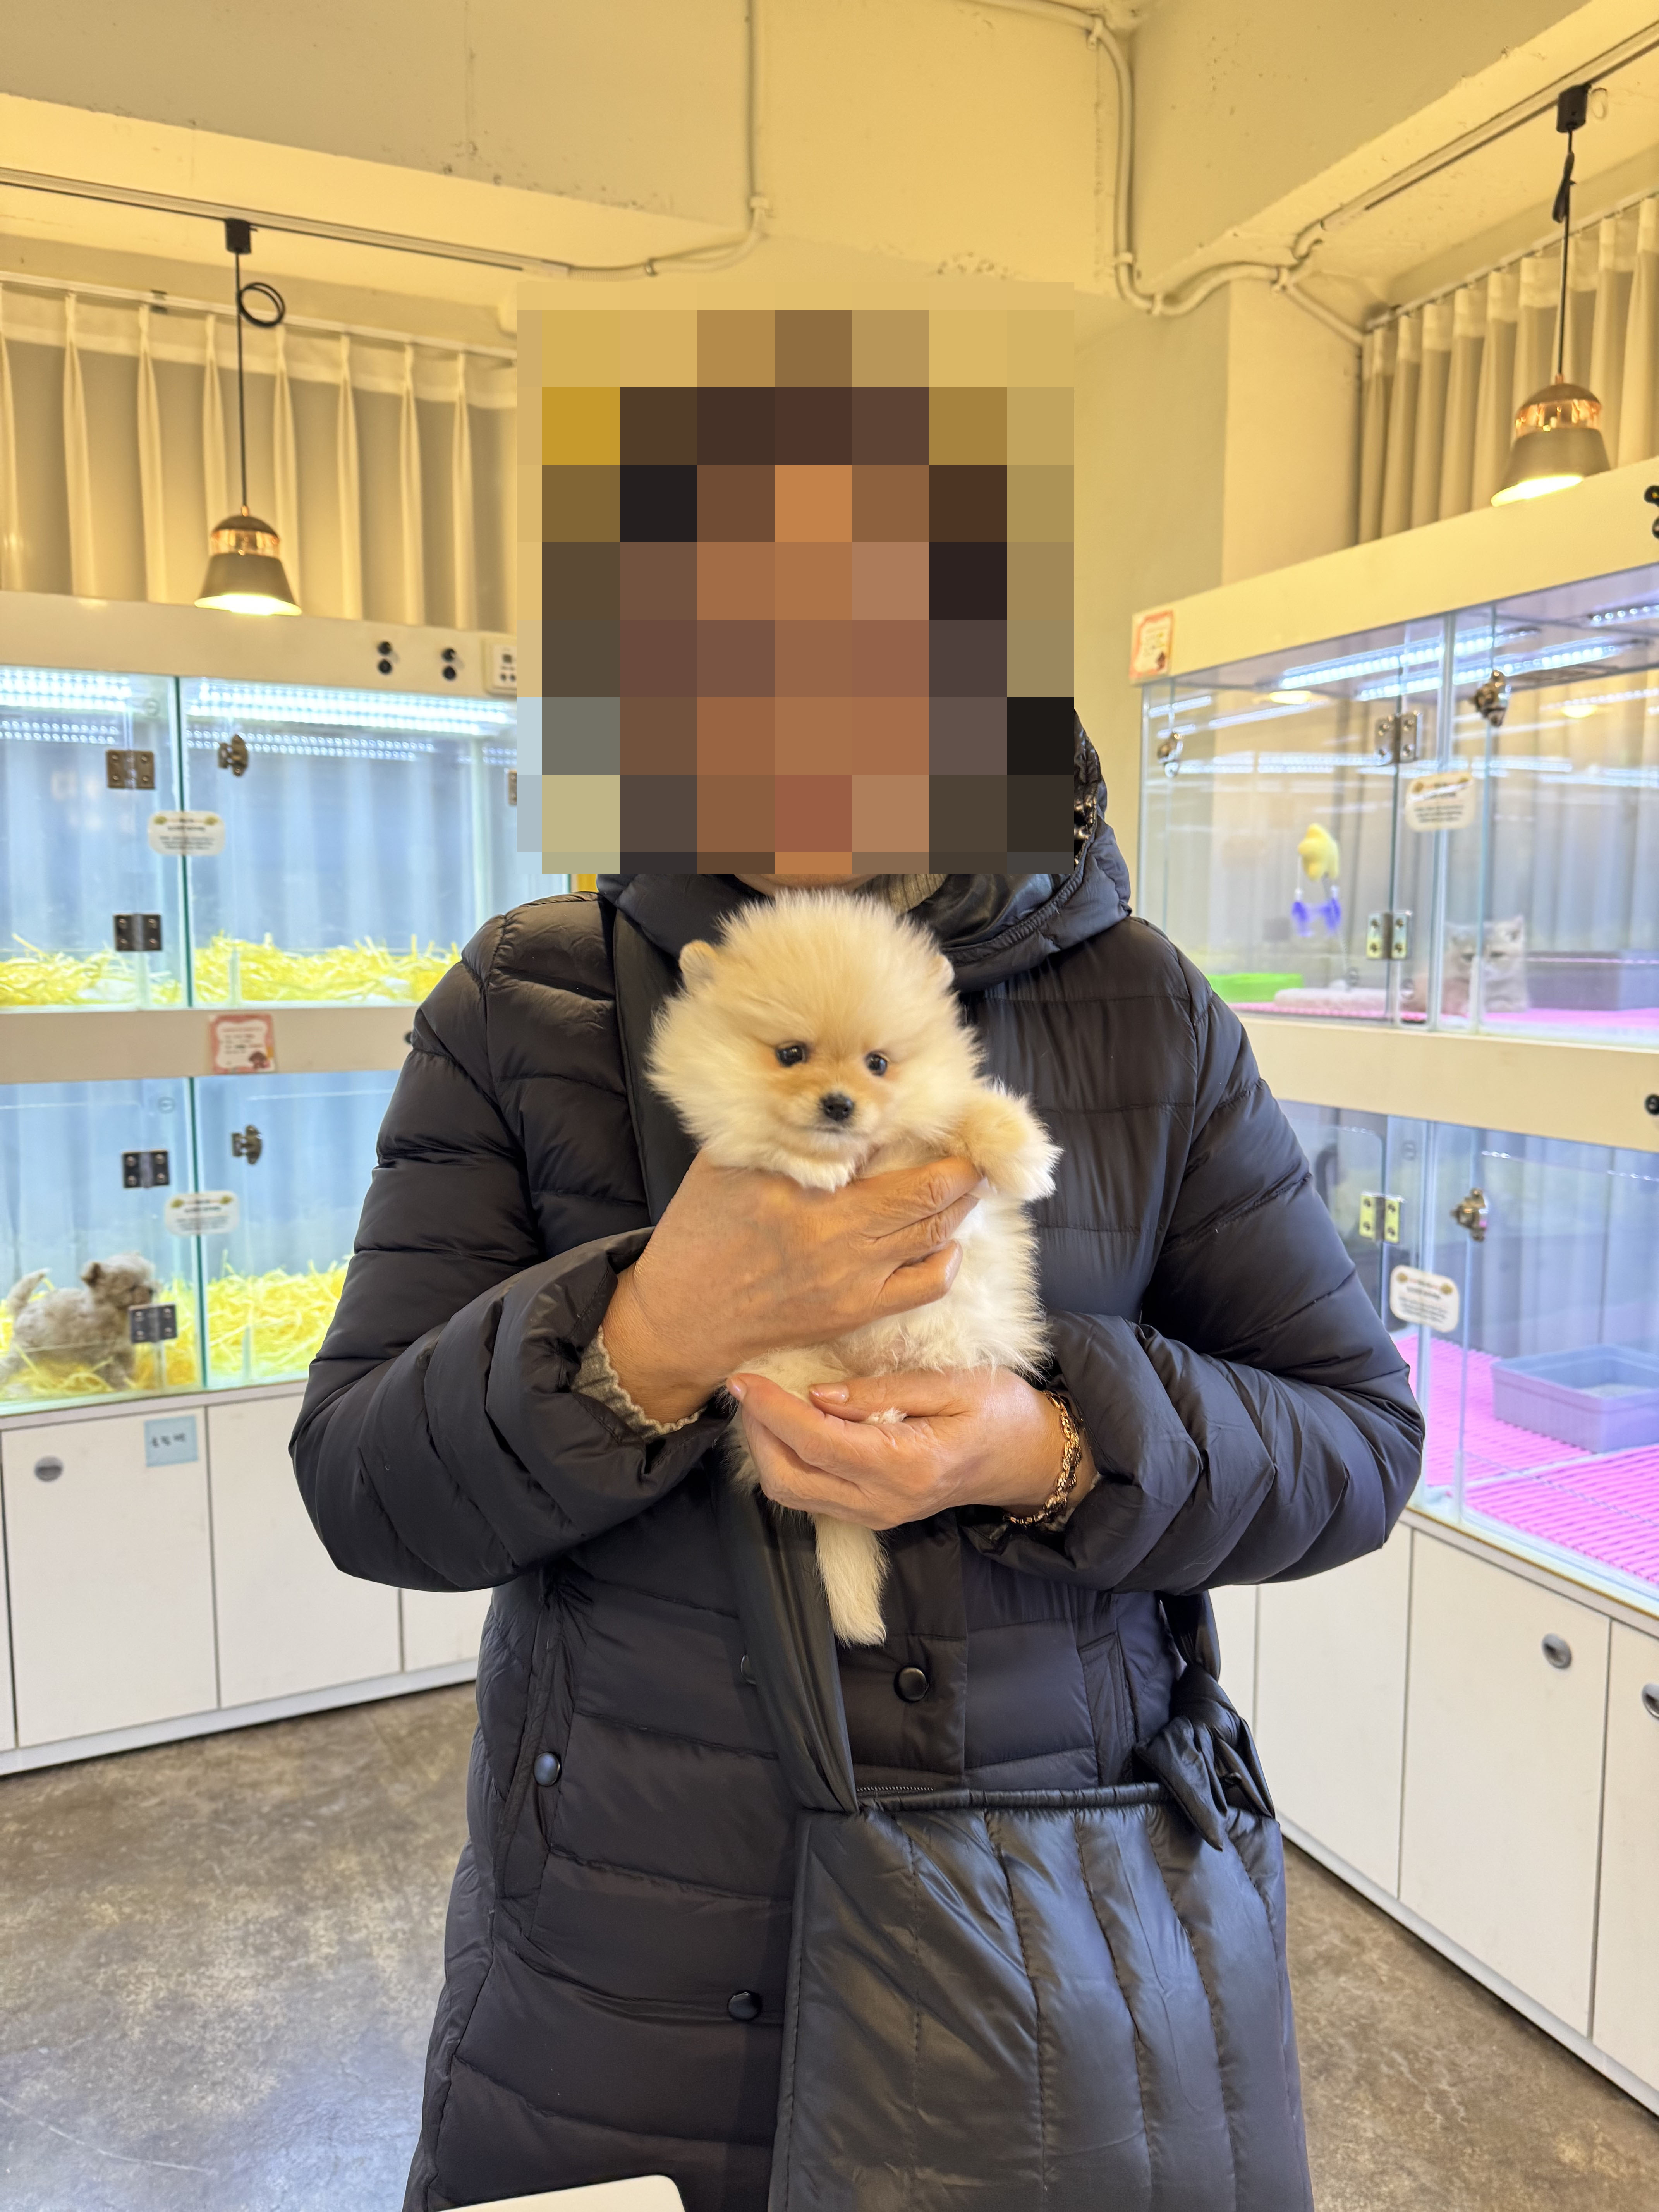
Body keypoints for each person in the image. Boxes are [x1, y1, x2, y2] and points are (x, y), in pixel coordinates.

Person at [292, 733, 1422, 2212]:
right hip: (624, 1959)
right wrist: (645, 1337)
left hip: (1054, 1934)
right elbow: (365, 1487)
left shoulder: (1144, 1005)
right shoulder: (529, 999)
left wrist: (1047, 1444)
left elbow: (1356, 1442)